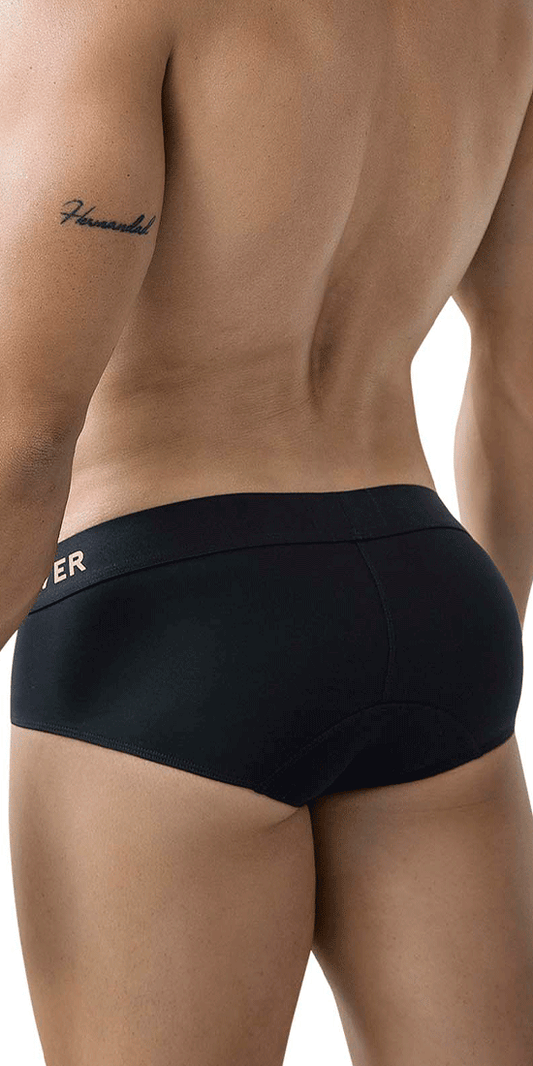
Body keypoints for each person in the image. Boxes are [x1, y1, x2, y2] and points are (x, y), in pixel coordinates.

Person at [3, 1, 533, 1063]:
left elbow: (24, 430)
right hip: (431, 592)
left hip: (164, 623)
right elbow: (522, 375)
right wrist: (479, 642)